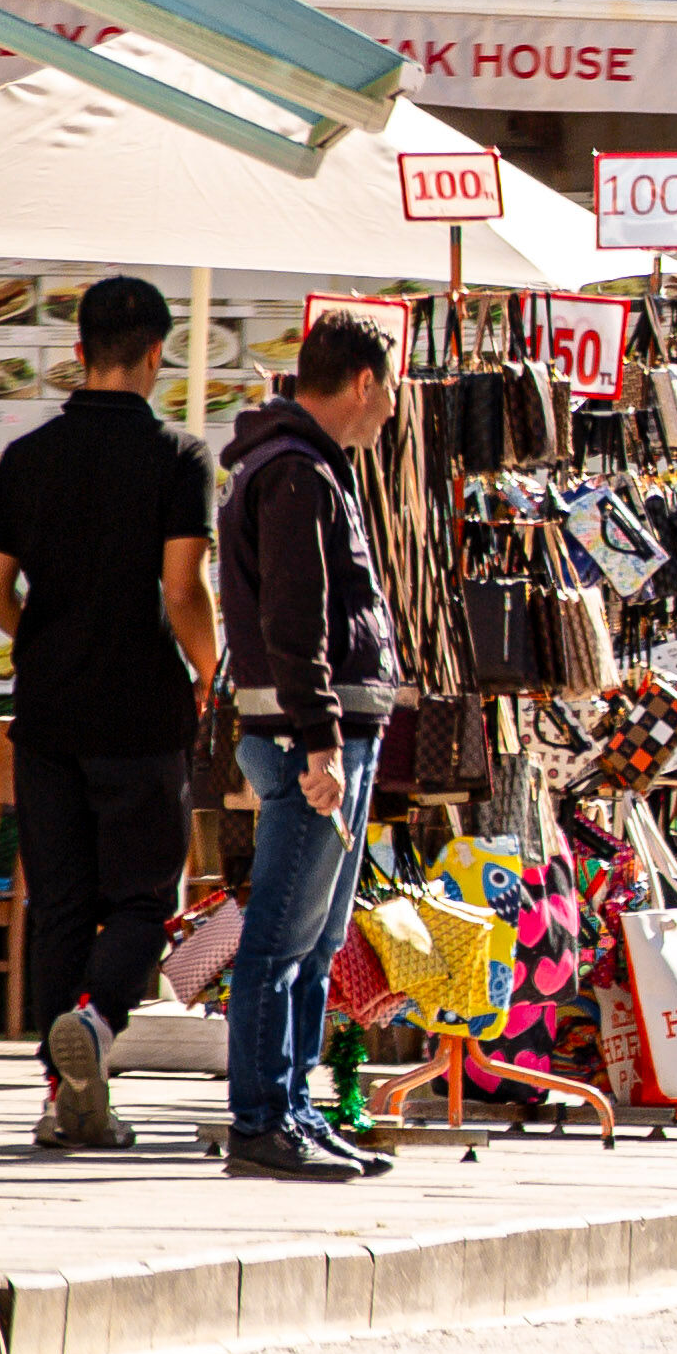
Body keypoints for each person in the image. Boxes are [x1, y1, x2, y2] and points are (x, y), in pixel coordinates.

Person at [0, 276, 221, 1154]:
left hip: (47, 712)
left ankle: (63, 1096)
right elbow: (182, 588)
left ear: (78, 352)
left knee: (62, 906)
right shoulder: (179, 457)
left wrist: (43, 639)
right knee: (146, 899)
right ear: (157, 354)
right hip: (142, 711)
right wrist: (209, 669)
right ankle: (96, 1016)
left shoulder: (26, 457)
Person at [214, 316, 408, 1186]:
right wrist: (321, 742)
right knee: (282, 939)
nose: (393, 408)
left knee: (317, 940)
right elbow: (295, 622)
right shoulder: (296, 471)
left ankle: (293, 1109)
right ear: (364, 382)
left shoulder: (305, 465)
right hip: (309, 742)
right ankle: (262, 1119)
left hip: (324, 735)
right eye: (391, 388)